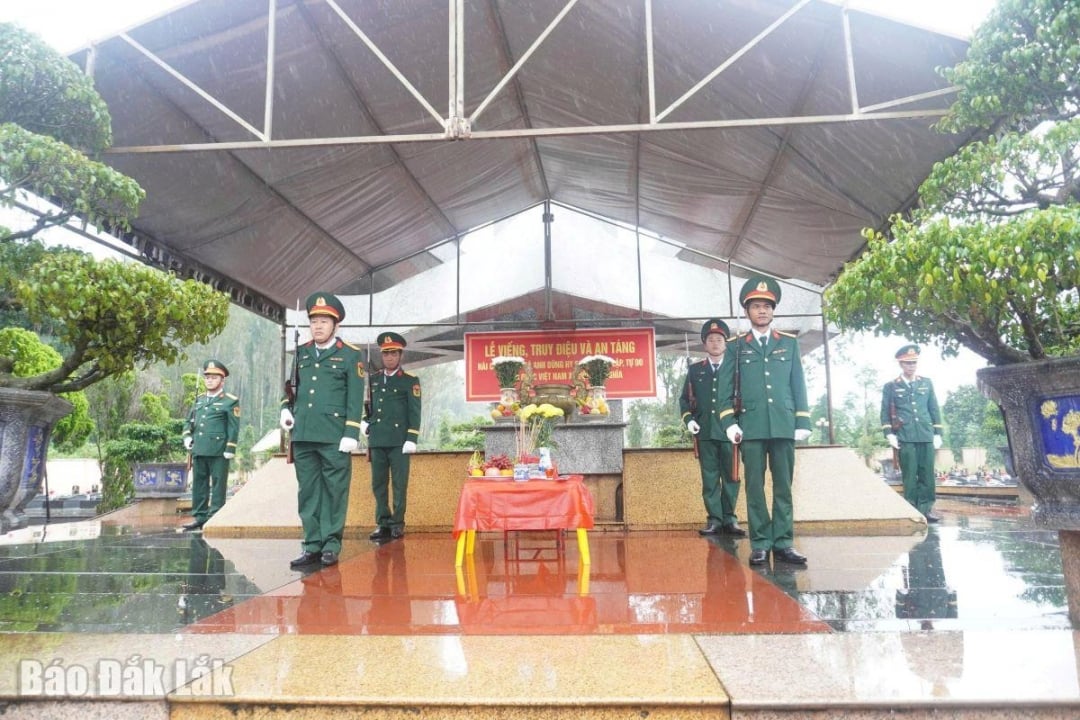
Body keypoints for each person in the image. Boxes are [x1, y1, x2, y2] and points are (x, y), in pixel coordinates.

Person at [720, 276, 812, 567]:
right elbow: (725, 390)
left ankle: (784, 542)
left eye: (767, 306)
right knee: (755, 487)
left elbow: (798, 383)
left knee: (784, 486)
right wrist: (729, 422)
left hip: (784, 424)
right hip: (751, 426)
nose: (762, 311)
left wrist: (803, 420)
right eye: (756, 306)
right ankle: (760, 543)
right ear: (747, 311)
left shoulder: (789, 343)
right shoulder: (735, 347)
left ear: (773, 311)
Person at [279, 292, 366, 568]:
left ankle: (330, 544)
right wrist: (284, 409)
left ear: (335, 325)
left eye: (324, 321)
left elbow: (355, 396)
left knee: (334, 491)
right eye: (314, 321)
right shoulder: (302, 352)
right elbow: (292, 388)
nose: (318, 326)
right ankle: (311, 544)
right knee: (308, 492)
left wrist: (351, 432)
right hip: (303, 433)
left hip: (334, 436)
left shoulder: (350, 355)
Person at [679, 318, 745, 537]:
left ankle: (730, 519)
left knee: (731, 477)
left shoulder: (736, 369)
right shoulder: (695, 370)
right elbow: (684, 400)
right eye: (711, 339)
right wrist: (689, 420)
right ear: (704, 344)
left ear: (726, 343)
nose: (715, 343)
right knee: (710, 479)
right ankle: (714, 519)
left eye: (719, 339)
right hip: (705, 432)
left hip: (730, 433)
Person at [362, 331, 421, 542]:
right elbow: (370, 407)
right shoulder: (374, 380)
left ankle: (397, 522)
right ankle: (382, 522)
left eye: (393, 353)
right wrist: (364, 422)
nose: (389, 358)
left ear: (400, 355)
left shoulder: (409, 381)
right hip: (377, 440)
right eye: (386, 354)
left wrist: (411, 438)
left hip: (399, 442)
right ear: (381, 355)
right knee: (378, 484)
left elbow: (415, 412)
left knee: (398, 484)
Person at [881, 344, 943, 523]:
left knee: (927, 474)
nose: (911, 366)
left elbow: (933, 408)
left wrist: (937, 433)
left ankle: (926, 508)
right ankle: (912, 509)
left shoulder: (926, 382)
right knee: (910, 474)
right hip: (905, 436)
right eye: (908, 363)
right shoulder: (891, 386)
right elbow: (884, 412)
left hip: (925, 434)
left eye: (914, 362)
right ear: (901, 364)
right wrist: (889, 434)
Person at [181, 359, 239, 531]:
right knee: (199, 484)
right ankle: (199, 516)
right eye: (207, 377)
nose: (210, 381)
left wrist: (231, 447)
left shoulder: (230, 401)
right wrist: (186, 437)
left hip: (219, 450)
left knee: (218, 484)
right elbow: (188, 422)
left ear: (222, 381)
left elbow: (233, 426)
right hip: (199, 448)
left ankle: (215, 516)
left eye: (214, 378)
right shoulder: (199, 400)